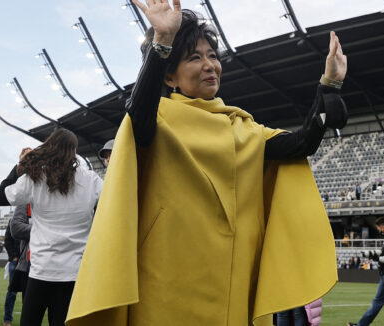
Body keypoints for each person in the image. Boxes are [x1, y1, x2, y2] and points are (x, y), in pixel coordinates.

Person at [67, 1, 347, 325]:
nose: (210, 65)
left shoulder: (243, 128)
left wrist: (329, 84)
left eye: (213, 55)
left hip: (229, 284)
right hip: (165, 283)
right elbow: (138, 111)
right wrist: (162, 41)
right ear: (170, 76)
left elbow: (301, 144)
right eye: (195, 57)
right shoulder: (156, 119)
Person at [0, 128, 103, 326]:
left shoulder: (34, 179)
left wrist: (19, 167)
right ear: (74, 151)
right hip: (74, 272)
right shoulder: (92, 181)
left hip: (42, 270)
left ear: (49, 146)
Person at [347, 216, 384, 326]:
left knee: (377, 302)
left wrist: (378, 259)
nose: (379, 230)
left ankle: (361, 325)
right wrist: (373, 254)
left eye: (379, 228)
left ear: (383, 227)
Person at [2, 218, 20, 326]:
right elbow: (7, 240)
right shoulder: (13, 220)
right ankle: (7, 320)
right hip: (16, 260)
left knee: (30, 293)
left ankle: (28, 319)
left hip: (31, 260)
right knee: (12, 291)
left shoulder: (36, 216)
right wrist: (13, 256)